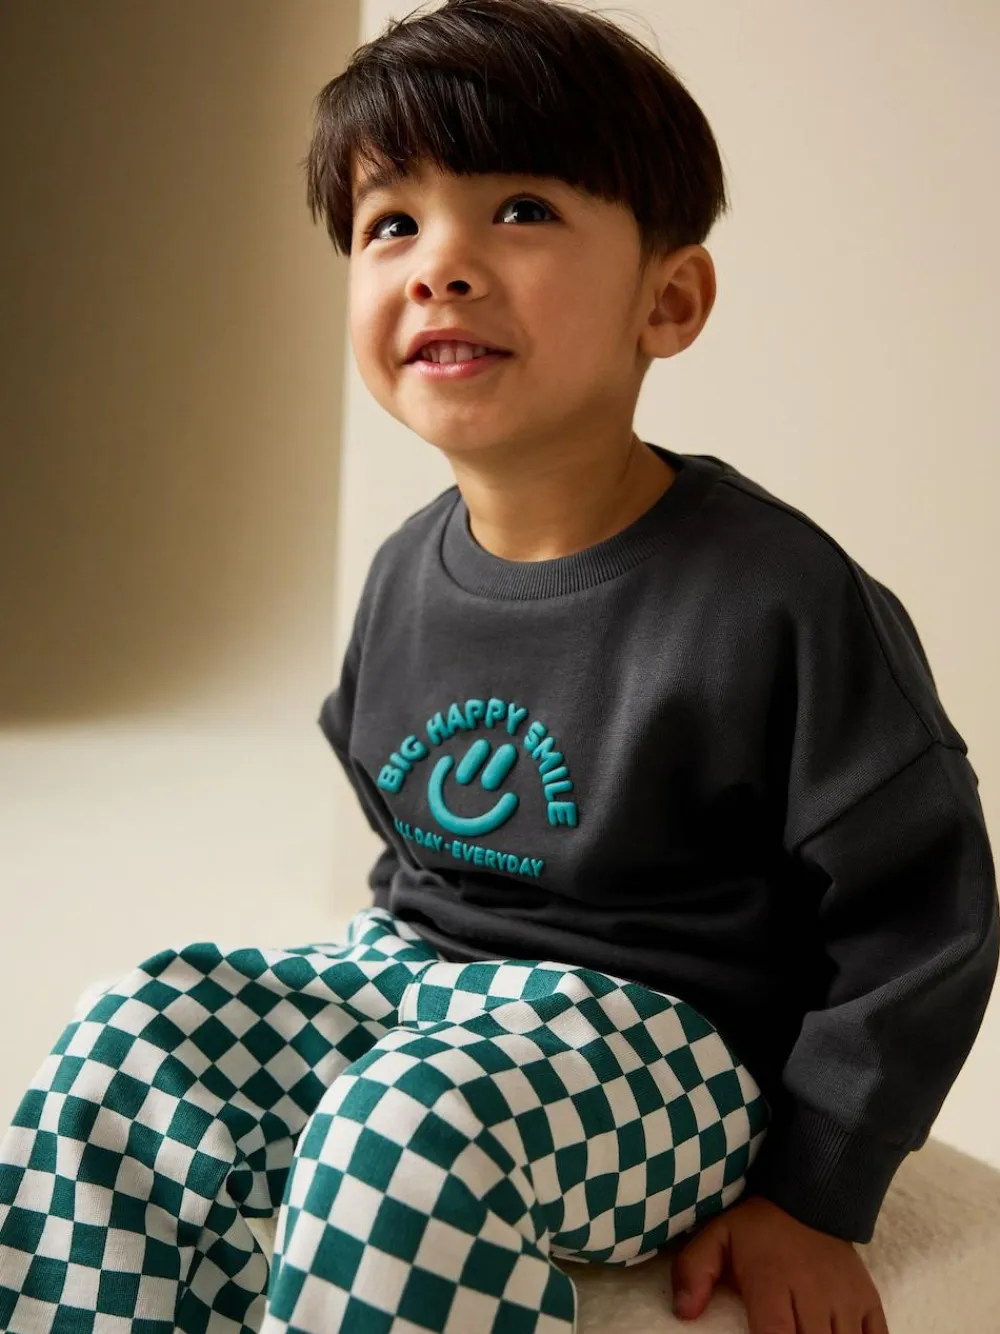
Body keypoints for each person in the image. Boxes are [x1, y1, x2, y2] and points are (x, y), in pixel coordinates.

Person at [1, 1, 996, 1331]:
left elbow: (925, 922)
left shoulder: (780, 599)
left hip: (671, 1044)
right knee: (136, 1032)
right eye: (391, 224)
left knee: (402, 1129)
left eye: (520, 209)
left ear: (668, 300)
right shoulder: (406, 572)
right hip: (427, 981)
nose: (440, 266)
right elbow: (406, 839)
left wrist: (817, 1191)